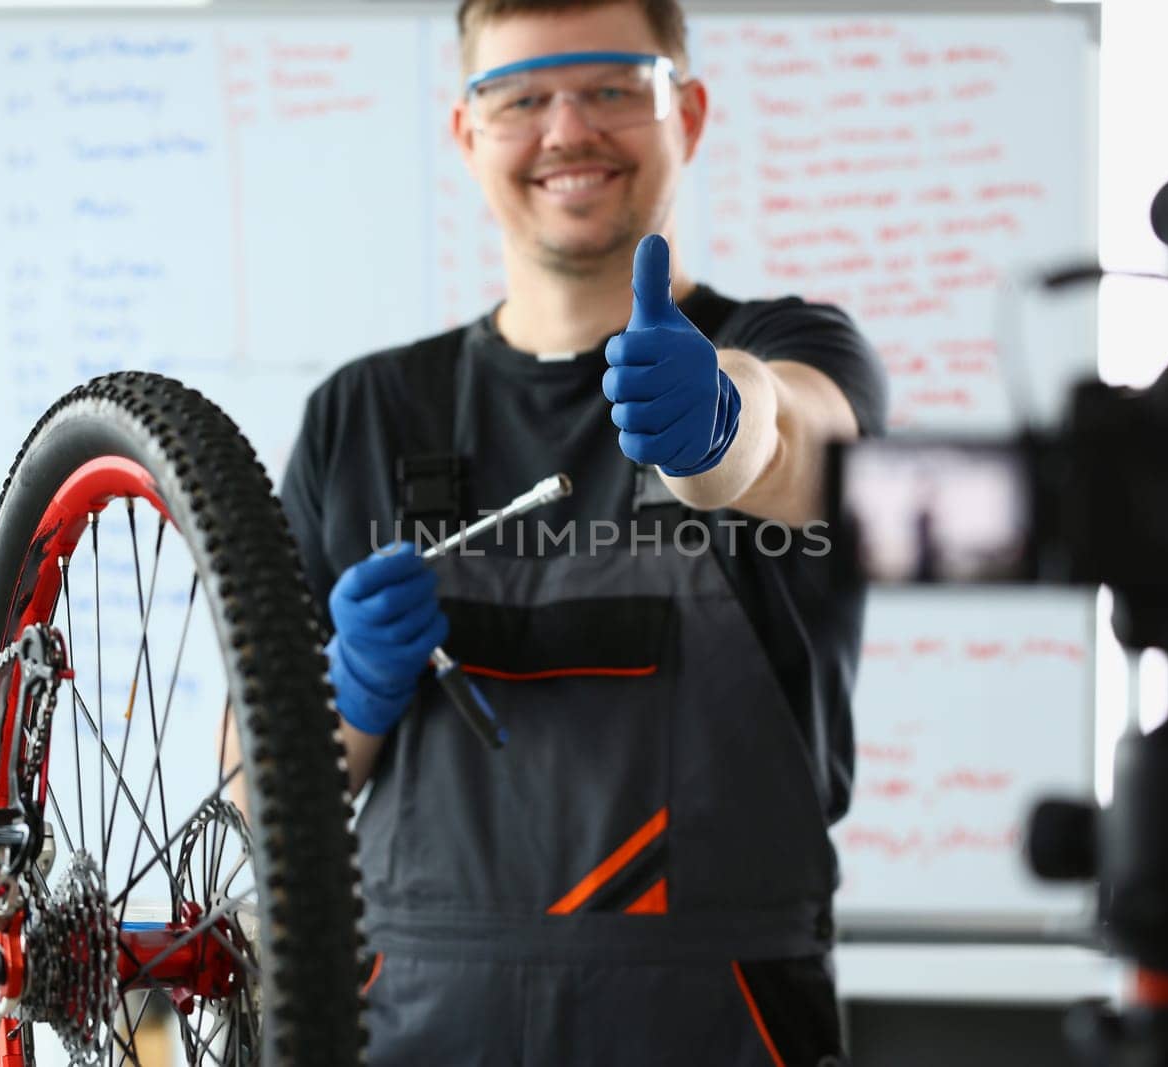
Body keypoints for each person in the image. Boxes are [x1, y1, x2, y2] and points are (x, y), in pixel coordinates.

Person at [280, 0, 886, 1062]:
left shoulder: (795, 347)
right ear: (468, 136)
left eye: (612, 88)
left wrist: (718, 427)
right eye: (520, 99)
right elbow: (257, 786)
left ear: (686, 115)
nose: (567, 132)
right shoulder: (363, 413)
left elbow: (799, 438)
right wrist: (349, 691)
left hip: (721, 1026)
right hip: (416, 1029)